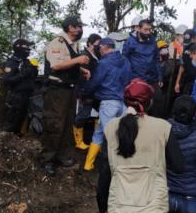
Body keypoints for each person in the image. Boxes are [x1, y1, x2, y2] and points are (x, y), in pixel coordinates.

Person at [96, 79, 184, 213]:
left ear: (125, 101)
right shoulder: (162, 127)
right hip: (153, 211)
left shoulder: (110, 127)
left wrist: (102, 205)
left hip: (119, 210)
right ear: (150, 102)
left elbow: (104, 172)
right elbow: (179, 166)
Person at [41, 15, 89, 176]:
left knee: (67, 123)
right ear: (69, 27)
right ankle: (48, 159)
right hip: (56, 90)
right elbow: (56, 65)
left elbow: (67, 63)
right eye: (77, 26)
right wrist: (79, 61)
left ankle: (61, 155)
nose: (80, 29)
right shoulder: (58, 42)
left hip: (69, 89)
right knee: (55, 123)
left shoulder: (72, 44)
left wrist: (82, 70)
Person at [82, 38, 131, 171]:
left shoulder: (104, 63)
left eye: (100, 48)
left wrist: (84, 92)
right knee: (100, 132)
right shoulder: (126, 62)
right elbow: (127, 80)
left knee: (110, 136)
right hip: (121, 103)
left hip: (108, 103)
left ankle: (116, 167)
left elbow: (95, 82)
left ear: (104, 47)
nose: (99, 50)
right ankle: (88, 164)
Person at [123, 19, 165, 117]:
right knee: (138, 107)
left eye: (150, 30)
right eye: (145, 30)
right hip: (136, 79)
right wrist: (129, 79)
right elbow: (125, 61)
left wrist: (159, 77)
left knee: (158, 104)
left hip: (152, 79)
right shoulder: (130, 42)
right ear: (138, 28)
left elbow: (156, 60)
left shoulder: (153, 41)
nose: (148, 32)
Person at [2, 39, 38, 135]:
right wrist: (23, 74)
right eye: (26, 47)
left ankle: (17, 139)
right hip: (16, 96)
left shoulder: (27, 62)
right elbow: (6, 80)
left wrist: (34, 70)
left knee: (22, 120)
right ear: (19, 48)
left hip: (28, 96)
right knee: (12, 120)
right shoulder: (12, 62)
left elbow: (33, 77)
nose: (29, 50)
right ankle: (6, 139)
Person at [73, 34, 102, 151]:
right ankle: (78, 141)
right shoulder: (85, 56)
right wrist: (82, 92)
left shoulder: (97, 55)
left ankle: (96, 140)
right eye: (97, 43)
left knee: (99, 114)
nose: (99, 46)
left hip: (96, 90)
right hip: (86, 90)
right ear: (90, 43)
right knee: (84, 114)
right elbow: (81, 76)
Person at [175, 29, 196, 95]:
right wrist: (177, 82)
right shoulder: (185, 49)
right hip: (186, 82)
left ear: (195, 38)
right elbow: (182, 66)